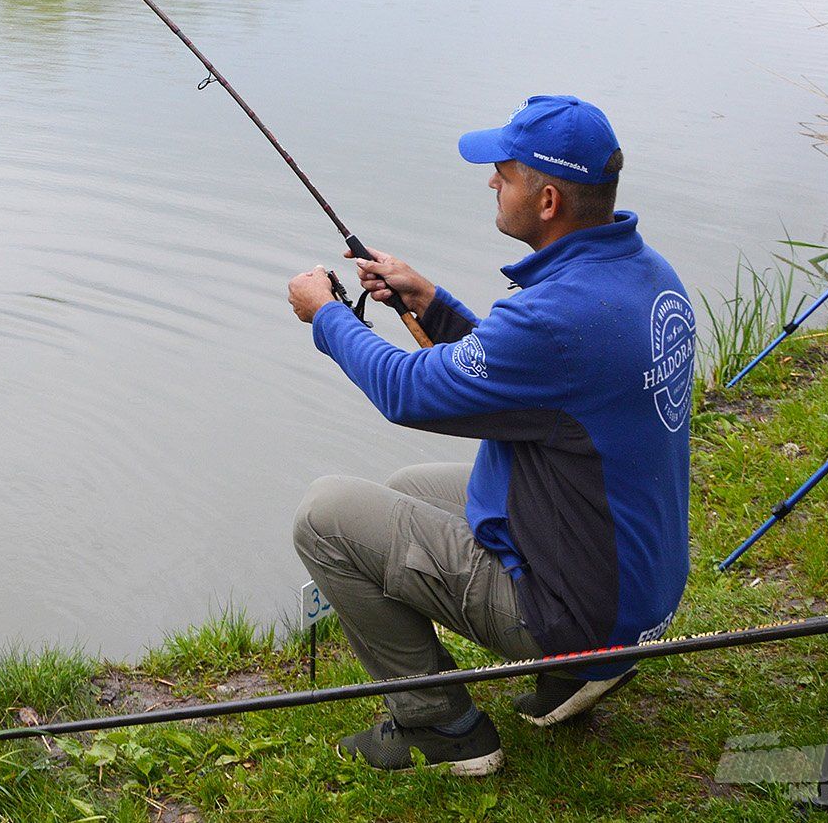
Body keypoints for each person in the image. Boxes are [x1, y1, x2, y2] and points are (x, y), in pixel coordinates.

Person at [283, 95, 694, 776]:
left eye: (504, 173)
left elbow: (407, 390)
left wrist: (326, 315)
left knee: (325, 516)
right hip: (633, 583)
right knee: (404, 489)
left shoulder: (558, 316)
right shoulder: (644, 275)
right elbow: (537, 378)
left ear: (549, 199)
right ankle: (585, 671)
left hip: (583, 611)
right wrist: (432, 304)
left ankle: (442, 727)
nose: (491, 183)